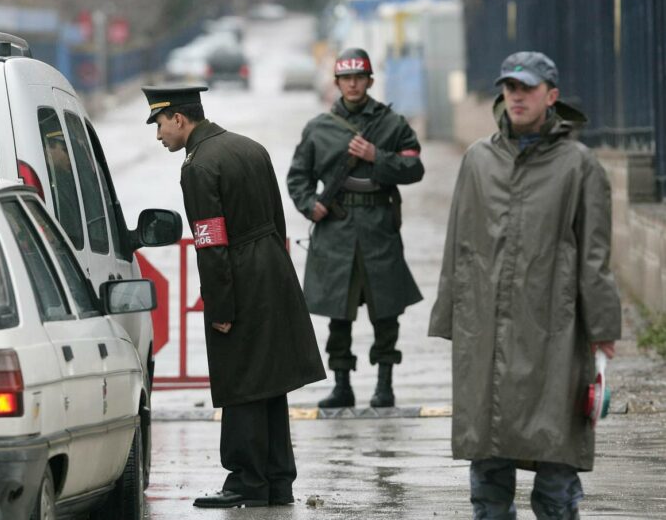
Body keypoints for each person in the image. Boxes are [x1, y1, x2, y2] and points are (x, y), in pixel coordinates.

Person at [428, 51, 621, 518]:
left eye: (527, 88)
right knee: (488, 459)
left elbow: (594, 255)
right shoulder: (478, 160)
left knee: (555, 457)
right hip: (485, 329)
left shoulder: (579, 165)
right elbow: (459, 244)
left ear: (551, 96)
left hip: (552, 329)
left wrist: (603, 327)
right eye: (510, 88)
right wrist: (451, 315)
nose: (516, 96)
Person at [142, 85, 325, 508]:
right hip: (272, 270)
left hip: (238, 274)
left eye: (160, 124)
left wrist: (220, 306)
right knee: (270, 379)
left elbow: (211, 243)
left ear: (180, 119)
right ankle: (277, 481)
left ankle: (246, 480)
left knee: (241, 378)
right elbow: (277, 220)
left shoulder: (199, 166)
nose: (158, 135)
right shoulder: (250, 147)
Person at [287, 47, 424, 409]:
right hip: (336, 228)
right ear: (337, 83)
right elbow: (298, 176)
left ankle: (384, 385)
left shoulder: (392, 125)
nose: (352, 84)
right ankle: (342, 384)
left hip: (379, 227)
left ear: (369, 81)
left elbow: (414, 168)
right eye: (346, 78)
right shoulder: (319, 129)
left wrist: (376, 157)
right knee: (339, 312)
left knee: (386, 311)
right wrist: (309, 204)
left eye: (359, 77)